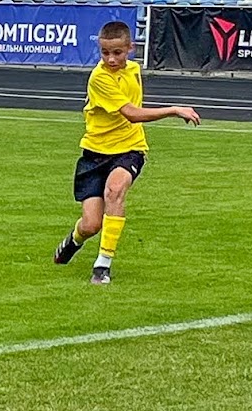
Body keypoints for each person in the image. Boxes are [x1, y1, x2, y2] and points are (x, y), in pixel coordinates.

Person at [53, 22, 201, 284]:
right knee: (90, 225)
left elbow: (131, 120)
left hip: (130, 150)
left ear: (130, 48)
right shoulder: (99, 78)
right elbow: (132, 114)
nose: (111, 59)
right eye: (105, 53)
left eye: (118, 53)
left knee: (115, 190)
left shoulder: (133, 70)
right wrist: (174, 109)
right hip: (94, 154)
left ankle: (102, 265)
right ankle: (74, 240)